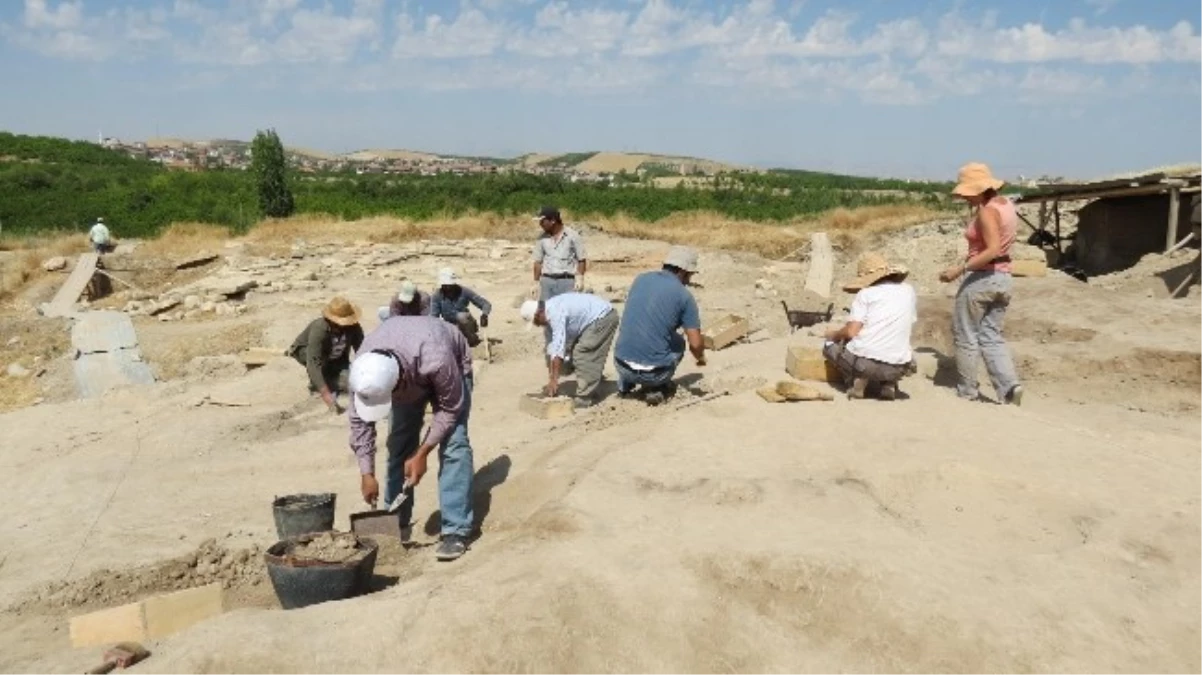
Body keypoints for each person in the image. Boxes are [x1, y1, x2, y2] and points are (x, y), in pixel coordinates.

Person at [347, 316, 475, 561]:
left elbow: (450, 409)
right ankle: (395, 522)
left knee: (454, 445)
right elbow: (359, 422)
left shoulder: (436, 358)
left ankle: (455, 530)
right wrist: (367, 473)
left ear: (398, 382)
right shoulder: (364, 371)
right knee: (399, 445)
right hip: (410, 368)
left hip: (450, 365)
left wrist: (423, 453)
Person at [939, 162, 1024, 405]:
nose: (965, 198)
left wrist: (960, 269)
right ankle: (1010, 387)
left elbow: (992, 249)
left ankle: (967, 391)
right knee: (991, 335)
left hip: (983, 277)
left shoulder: (987, 211)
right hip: (1004, 278)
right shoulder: (1006, 204)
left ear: (979, 189)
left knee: (965, 333)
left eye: (967, 193)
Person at [613, 246, 706, 406]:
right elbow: (696, 344)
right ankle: (656, 387)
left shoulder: (640, 279)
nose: (689, 279)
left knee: (639, 331)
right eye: (690, 274)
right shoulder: (684, 296)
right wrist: (701, 358)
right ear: (683, 271)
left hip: (620, 364)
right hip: (653, 374)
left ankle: (626, 384)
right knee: (679, 342)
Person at [823, 252, 917, 400]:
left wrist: (833, 334)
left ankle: (857, 382)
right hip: (900, 366)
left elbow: (851, 332)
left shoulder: (866, 294)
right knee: (893, 344)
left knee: (830, 345)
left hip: (866, 365)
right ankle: (889, 383)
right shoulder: (908, 291)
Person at [520, 293, 619, 409]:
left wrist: (554, 381)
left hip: (603, 317)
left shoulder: (555, 312)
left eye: (535, 322)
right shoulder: (547, 316)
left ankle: (584, 398)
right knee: (570, 355)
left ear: (539, 314)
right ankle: (591, 380)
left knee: (582, 353)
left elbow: (558, 350)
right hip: (589, 321)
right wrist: (552, 378)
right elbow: (553, 349)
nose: (537, 325)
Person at [287, 297, 365, 414]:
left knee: (353, 382)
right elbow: (313, 362)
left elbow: (362, 351)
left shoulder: (354, 327)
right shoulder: (320, 328)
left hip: (337, 360)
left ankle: (328, 380)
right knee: (320, 366)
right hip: (311, 355)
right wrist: (327, 397)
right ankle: (318, 383)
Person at [531, 206, 587, 301]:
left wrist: (580, 278)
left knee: (567, 311)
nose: (540, 224)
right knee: (546, 312)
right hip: (547, 282)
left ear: (552, 220)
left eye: (542, 221)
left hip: (567, 281)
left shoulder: (572, 236)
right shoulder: (541, 238)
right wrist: (536, 282)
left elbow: (581, 259)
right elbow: (538, 262)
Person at [429, 268, 491, 347]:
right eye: (445, 285)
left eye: (450, 285)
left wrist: (484, 315)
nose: (448, 288)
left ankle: (471, 339)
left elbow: (485, 304)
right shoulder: (437, 295)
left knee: (461, 317)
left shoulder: (464, 291)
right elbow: (433, 317)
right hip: (451, 326)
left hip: (467, 324)